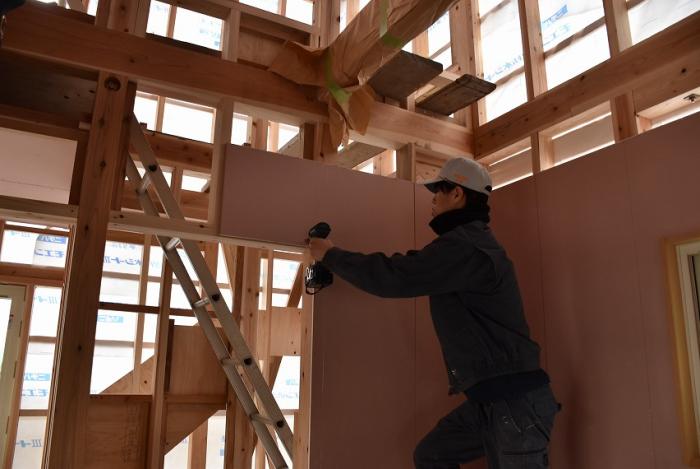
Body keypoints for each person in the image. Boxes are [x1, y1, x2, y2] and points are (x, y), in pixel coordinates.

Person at [307, 157, 560, 468]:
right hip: (494, 400)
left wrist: (330, 255)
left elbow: (397, 276)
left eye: (438, 190)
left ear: (457, 193)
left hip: (514, 403)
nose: (433, 199)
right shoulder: (463, 245)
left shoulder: (467, 247)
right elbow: (413, 267)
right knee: (432, 455)